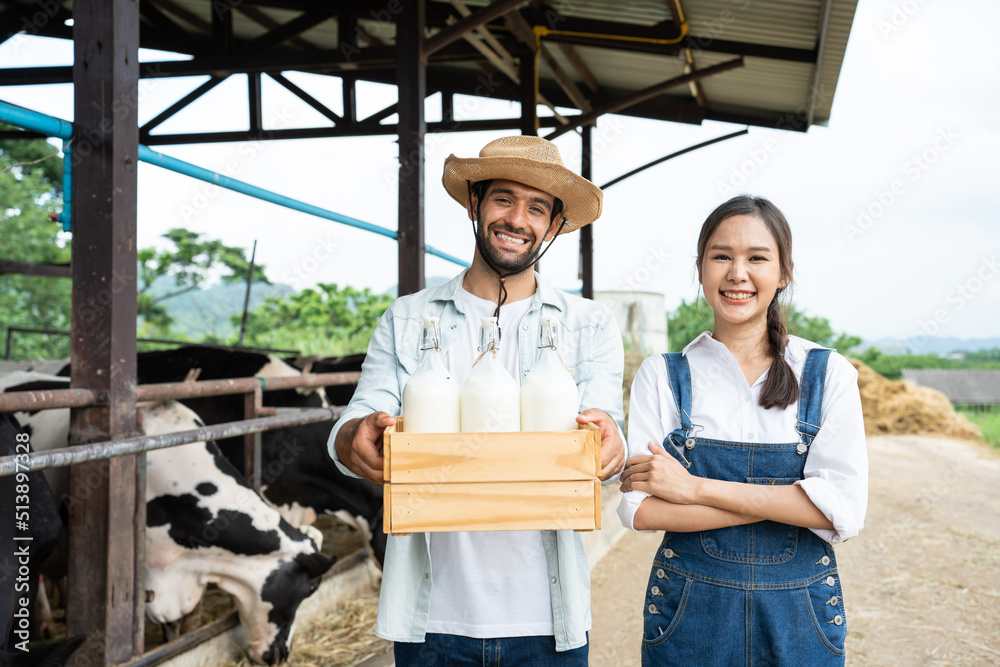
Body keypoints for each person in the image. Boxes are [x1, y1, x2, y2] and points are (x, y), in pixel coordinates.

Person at [329, 135, 627, 665]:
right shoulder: (408, 318)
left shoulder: (588, 325)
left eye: (537, 207)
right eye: (503, 199)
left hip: (547, 619)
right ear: (474, 203)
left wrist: (610, 445)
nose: (518, 218)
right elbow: (356, 422)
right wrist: (358, 439)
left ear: (555, 225)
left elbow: (610, 437)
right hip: (433, 619)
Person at [617, 195, 868, 666]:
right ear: (700, 268)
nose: (737, 273)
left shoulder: (828, 374)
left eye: (757, 258)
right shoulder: (662, 375)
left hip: (799, 618)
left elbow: (845, 512)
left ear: (784, 272)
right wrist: (792, 502)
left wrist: (693, 488)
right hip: (691, 613)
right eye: (721, 256)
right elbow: (643, 511)